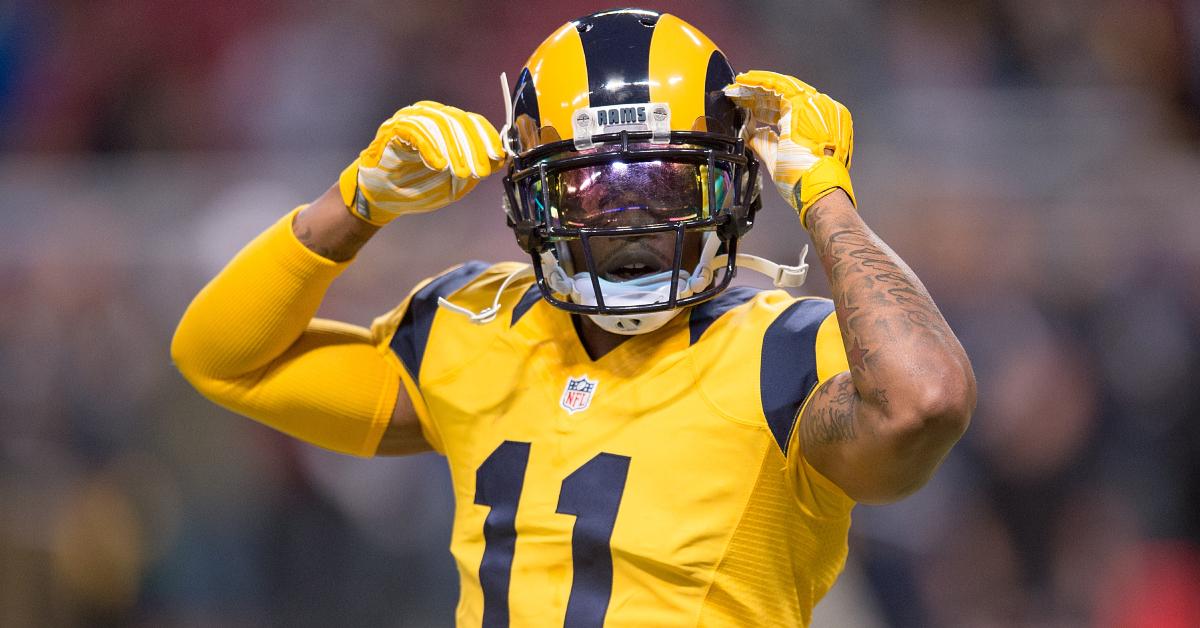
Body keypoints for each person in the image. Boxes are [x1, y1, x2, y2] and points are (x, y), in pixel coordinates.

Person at [172, 9, 975, 627]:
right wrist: (352, 205)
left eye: (664, 190)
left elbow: (926, 397)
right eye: (592, 191)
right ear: (531, 200)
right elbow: (222, 358)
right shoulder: (474, 320)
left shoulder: (783, 352)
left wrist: (826, 195)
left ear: (735, 190)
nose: (628, 225)